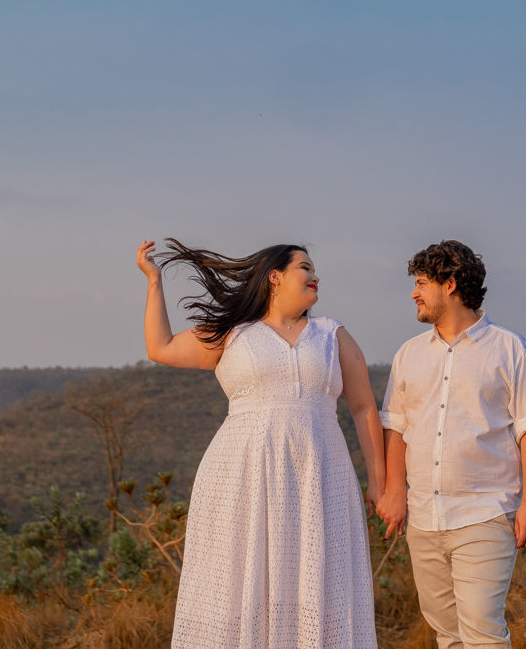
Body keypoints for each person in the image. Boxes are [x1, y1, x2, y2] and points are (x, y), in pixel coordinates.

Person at [135, 238, 385, 649]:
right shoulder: (233, 334)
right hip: (242, 476)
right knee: (241, 584)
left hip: (319, 476)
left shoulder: (330, 334)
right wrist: (153, 281)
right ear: (275, 277)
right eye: (305, 267)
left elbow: (364, 408)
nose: (315, 275)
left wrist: (379, 481)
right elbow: (159, 347)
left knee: (318, 580)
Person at [374, 240, 526, 649]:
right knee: (447, 635)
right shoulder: (408, 354)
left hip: (485, 512)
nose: (414, 293)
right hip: (423, 519)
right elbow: (397, 427)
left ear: (450, 284)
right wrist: (396, 491)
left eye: (421, 283)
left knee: (482, 632)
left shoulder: (510, 348)